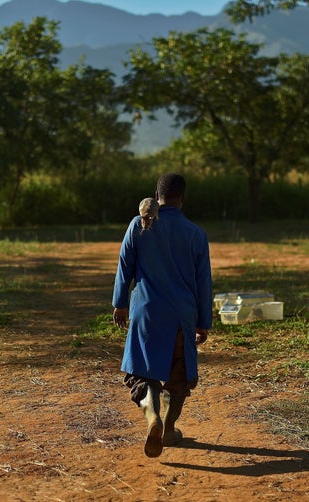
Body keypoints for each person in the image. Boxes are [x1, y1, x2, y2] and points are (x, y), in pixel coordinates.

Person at [112, 173, 213, 458]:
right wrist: (203, 322)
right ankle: (168, 429)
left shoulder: (138, 225)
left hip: (146, 314)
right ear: (183, 198)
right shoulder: (196, 234)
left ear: (157, 196)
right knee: (177, 381)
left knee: (144, 374)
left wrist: (119, 304)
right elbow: (203, 282)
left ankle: (151, 417)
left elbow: (124, 267)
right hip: (182, 316)